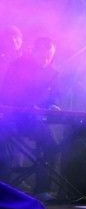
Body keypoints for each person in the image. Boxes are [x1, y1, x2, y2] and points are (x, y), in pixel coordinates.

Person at [0, 37, 60, 200]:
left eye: (49, 57)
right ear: (34, 52)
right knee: (4, 144)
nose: (46, 60)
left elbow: (54, 96)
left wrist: (53, 106)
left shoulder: (52, 73)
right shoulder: (18, 66)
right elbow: (7, 95)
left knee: (52, 145)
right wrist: (27, 105)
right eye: (43, 56)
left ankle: (42, 189)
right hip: (12, 119)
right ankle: (5, 190)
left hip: (34, 121)